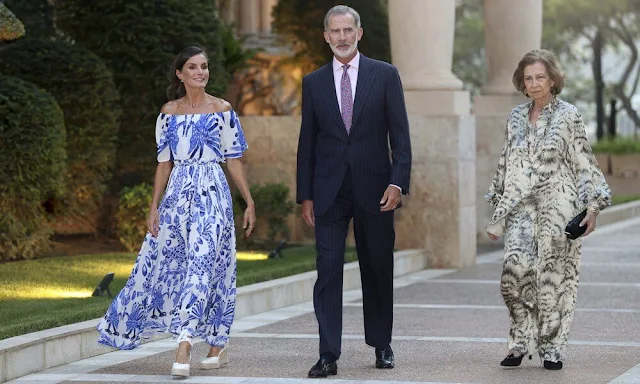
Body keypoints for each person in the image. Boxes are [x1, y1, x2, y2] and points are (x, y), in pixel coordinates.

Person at [96, 46, 255, 379]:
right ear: (180, 74)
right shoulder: (168, 112)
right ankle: (216, 343)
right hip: (177, 196)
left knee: (209, 263)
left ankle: (186, 344)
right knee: (170, 264)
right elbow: (163, 163)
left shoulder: (223, 109)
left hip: (213, 193)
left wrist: (249, 201)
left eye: (204, 67)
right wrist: (153, 205)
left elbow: (234, 160)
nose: (200, 72)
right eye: (193, 67)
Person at [296, 5, 412, 378]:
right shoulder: (313, 82)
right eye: (335, 31)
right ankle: (328, 353)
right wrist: (306, 194)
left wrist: (398, 181)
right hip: (328, 191)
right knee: (327, 271)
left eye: (348, 30)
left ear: (359, 33)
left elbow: (401, 135)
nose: (342, 37)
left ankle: (382, 344)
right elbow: (307, 142)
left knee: (377, 267)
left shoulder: (385, 75)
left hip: (377, 189)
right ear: (326, 36)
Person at [485, 49, 611, 371]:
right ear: (522, 83)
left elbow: (584, 163)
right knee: (512, 278)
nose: (534, 83)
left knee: (552, 282)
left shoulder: (568, 115)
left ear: (553, 80)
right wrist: (498, 209)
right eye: (528, 78)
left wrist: (592, 207)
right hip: (520, 209)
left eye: (540, 76)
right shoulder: (515, 117)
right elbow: (506, 161)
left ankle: (552, 348)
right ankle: (520, 338)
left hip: (558, 206)